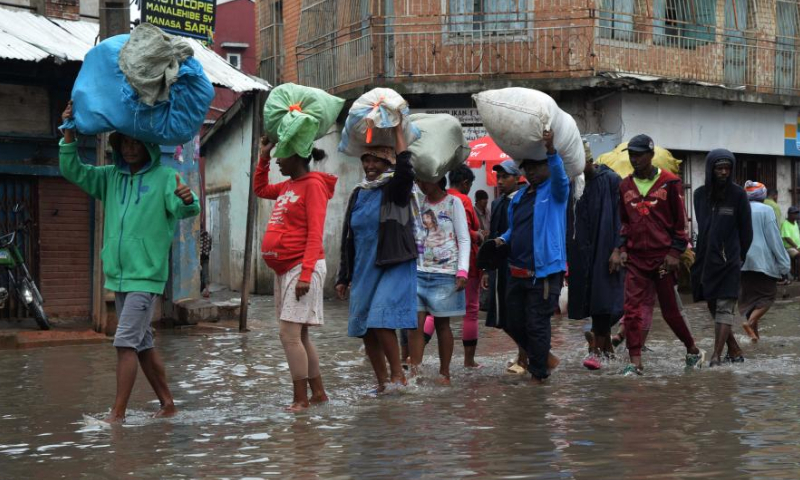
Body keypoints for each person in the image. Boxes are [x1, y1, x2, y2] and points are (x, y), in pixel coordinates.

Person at [59, 101, 200, 422]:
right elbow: (73, 170)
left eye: (137, 142)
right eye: (126, 142)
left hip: (146, 276)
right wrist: (68, 132)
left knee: (124, 343)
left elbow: (184, 210)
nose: (131, 148)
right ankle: (168, 404)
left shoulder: (165, 177)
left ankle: (117, 414)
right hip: (119, 276)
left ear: (148, 145)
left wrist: (189, 202)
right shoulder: (109, 177)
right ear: (118, 145)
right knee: (142, 345)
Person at [254, 137, 337, 412]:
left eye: (282, 154)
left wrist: (306, 273)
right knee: (300, 336)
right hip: (287, 267)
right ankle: (319, 394)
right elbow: (260, 188)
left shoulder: (313, 185)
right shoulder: (289, 185)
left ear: (299, 156)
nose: (278, 160)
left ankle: (300, 399)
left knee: (288, 335)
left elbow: (316, 233)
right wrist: (263, 157)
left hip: (302, 267)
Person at [611, 134, 704, 376]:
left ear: (651, 156)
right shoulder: (624, 186)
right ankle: (636, 361)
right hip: (635, 259)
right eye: (632, 155)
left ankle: (692, 349)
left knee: (670, 311)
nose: (635, 159)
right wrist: (621, 249)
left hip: (663, 259)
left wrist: (675, 252)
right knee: (631, 310)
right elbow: (624, 223)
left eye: (640, 154)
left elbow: (679, 225)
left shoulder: (670, 184)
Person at [336, 125, 417, 393]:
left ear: (388, 162)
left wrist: (398, 133)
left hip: (393, 262)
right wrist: (343, 277)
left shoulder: (395, 188)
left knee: (380, 320)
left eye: (376, 161)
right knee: (364, 327)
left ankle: (398, 377)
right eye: (366, 160)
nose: (370, 166)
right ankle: (382, 382)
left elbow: (406, 169)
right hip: (363, 268)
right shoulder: (359, 192)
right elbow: (349, 236)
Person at [494, 130, 568, 383]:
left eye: (537, 166)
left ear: (547, 166)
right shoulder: (521, 197)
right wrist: (502, 239)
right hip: (517, 270)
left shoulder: (556, 192)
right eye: (528, 167)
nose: (532, 172)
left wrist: (551, 151)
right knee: (511, 322)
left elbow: (560, 178)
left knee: (537, 324)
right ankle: (544, 357)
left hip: (544, 272)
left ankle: (539, 377)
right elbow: (515, 228)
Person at [691, 150, 752, 367]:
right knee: (712, 304)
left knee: (725, 306)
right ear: (711, 169)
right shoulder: (699, 195)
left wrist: (738, 256)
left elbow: (746, 231)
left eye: (727, 168)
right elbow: (704, 227)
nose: (724, 172)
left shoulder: (738, 195)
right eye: (719, 168)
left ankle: (716, 356)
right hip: (706, 259)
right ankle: (734, 348)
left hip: (729, 260)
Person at [408, 177, 471, 384]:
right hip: (418, 270)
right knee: (415, 325)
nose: (422, 184)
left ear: (438, 179)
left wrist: (462, 271)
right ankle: (414, 372)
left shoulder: (454, 203)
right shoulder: (418, 202)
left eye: (426, 180)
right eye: (419, 180)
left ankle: (444, 373)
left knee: (443, 325)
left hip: (445, 272)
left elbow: (463, 238)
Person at [567, 142, 624, 370]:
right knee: (590, 300)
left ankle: (596, 350)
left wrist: (617, 249)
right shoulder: (576, 185)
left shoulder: (611, 180)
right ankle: (606, 350)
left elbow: (621, 217)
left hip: (606, 249)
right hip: (583, 251)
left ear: (590, 161)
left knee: (608, 301)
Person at [482, 160, 527, 373]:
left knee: (517, 313)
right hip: (499, 266)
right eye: (498, 177)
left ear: (517, 178)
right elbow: (492, 235)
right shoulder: (497, 203)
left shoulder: (525, 200)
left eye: (504, 177)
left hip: (519, 265)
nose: (500, 181)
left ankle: (525, 356)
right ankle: (526, 353)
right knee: (500, 316)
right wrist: (486, 268)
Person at [740, 181, 791, 342]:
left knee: (750, 299)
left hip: (741, 261)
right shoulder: (766, 210)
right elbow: (774, 239)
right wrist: (784, 266)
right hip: (761, 260)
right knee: (767, 296)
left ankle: (755, 338)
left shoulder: (740, 209)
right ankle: (749, 323)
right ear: (762, 196)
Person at [447, 165, 482, 368]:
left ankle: (414, 358)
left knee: (435, 311)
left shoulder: (441, 197)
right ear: (465, 183)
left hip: (444, 261)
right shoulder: (463, 199)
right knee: (471, 310)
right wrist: (478, 236)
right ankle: (469, 361)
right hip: (467, 261)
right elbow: (470, 229)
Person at [780, 206, 800, 279]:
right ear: (789, 214)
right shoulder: (785, 224)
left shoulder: (795, 223)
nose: (796, 215)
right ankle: (798, 276)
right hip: (789, 247)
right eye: (794, 213)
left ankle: (796, 274)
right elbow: (787, 238)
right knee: (799, 255)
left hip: (796, 247)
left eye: (797, 213)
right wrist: (796, 247)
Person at [199, 228, 212, 298]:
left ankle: (202, 290)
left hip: (200, 258)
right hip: (206, 257)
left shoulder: (198, 236)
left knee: (201, 274)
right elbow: (210, 247)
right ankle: (206, 291)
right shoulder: (209, 236)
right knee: (205, 274)